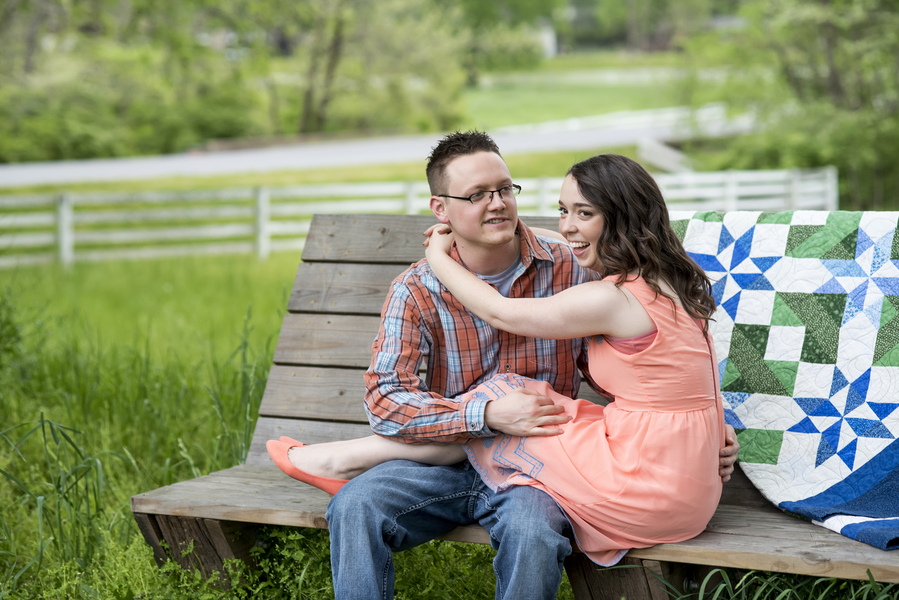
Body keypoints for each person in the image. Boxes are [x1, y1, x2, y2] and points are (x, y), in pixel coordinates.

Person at [267, 132, 739, 599]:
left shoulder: (576, 269)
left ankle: (345, 456)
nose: (497, 204)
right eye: (476, 195)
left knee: (532, 528)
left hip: (540, 466)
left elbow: (646, 361)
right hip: (445, 457)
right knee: (355, 505)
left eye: (503, 189)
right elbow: (386, 402)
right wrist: (486, 418)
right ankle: (348, 466)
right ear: (441, 210)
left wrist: (702, 428)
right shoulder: (415, 290)